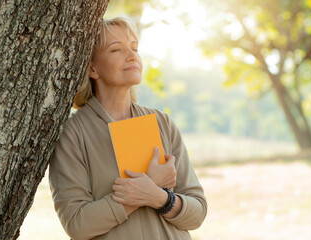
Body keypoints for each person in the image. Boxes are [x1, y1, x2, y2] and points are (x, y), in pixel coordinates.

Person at [49, 17, 207, 240]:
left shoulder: (162, 122)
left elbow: (197, 213)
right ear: (92, 68)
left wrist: (159, 198)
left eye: (135, 48)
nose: (132, 56)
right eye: (116, 50)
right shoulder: (72, 133)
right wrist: (143, 189)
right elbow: (77, 224)